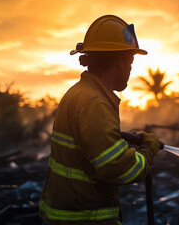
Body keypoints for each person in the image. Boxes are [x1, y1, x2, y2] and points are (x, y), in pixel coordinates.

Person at [39, 15, 161, 224]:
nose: (131, 69)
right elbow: (117, 168)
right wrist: (148, 150)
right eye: (130, 62)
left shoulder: (80, 93)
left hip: (66, 214)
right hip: (84, 218)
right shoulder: (95, 102)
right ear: (120, 62)